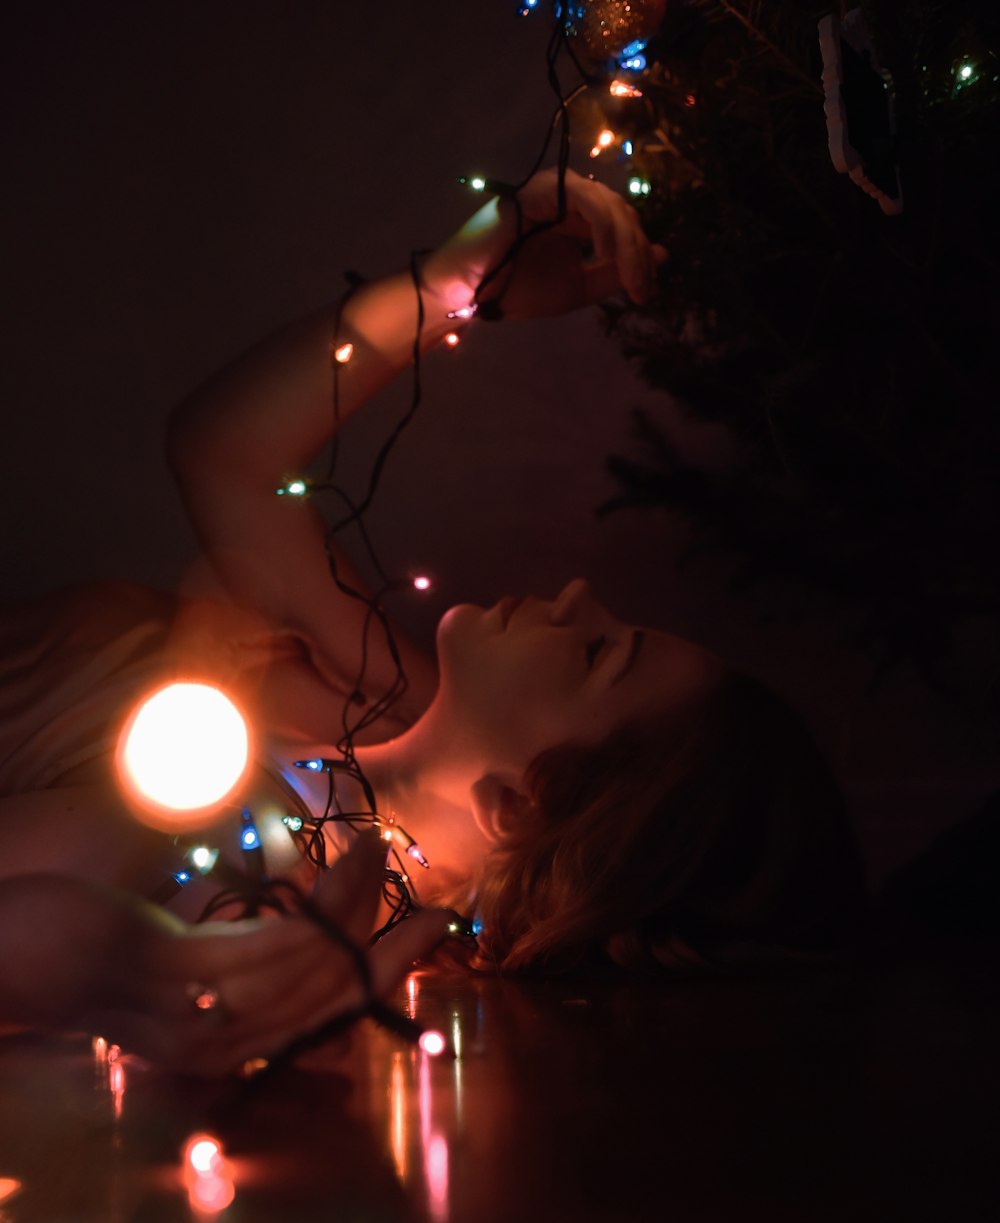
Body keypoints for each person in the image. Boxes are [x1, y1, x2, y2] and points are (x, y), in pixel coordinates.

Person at [0, 169, 865, 1076]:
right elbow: (223, 454)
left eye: (601, 653)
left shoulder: (265, 890)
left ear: (521, 806)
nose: (577, 595)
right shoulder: (374, 688)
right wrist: (452, 285)